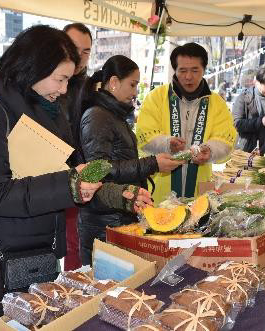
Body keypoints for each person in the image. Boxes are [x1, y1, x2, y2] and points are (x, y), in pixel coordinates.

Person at [0, 25, 151, 330]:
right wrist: (69, 184)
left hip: (38, 252)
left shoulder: (52, 114)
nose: (65, 89)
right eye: (60, 79)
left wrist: (120, 193)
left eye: (69, 79)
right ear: (33, 68)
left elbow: (80, 174)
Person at [78, 55, 183, 264]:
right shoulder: (97, 116)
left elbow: (119, 160)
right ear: (114, 82)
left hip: (119, 215)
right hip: (105, 221)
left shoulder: (113, 115)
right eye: (132, 84)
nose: (135, 92)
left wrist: (151, 164)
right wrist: (151, 164)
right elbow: (98, 170)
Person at [136, 43, 237, 204]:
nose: (188, 76)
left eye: (195, 70)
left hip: (199, 196)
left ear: (204, 69)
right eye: (182, 70)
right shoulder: (156, 97)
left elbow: (226, 140)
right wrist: (167, 144)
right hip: (158, 194)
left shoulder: (216, 102)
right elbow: (144, 138)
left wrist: (209, 151)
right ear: (175, 70)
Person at [60, 22, 93, 270]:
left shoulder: (89, 87)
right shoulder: (43, 84)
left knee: (74, 240)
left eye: (86, 51)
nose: (79, 57)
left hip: (79, 172)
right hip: (48, 173)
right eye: (74, 48)